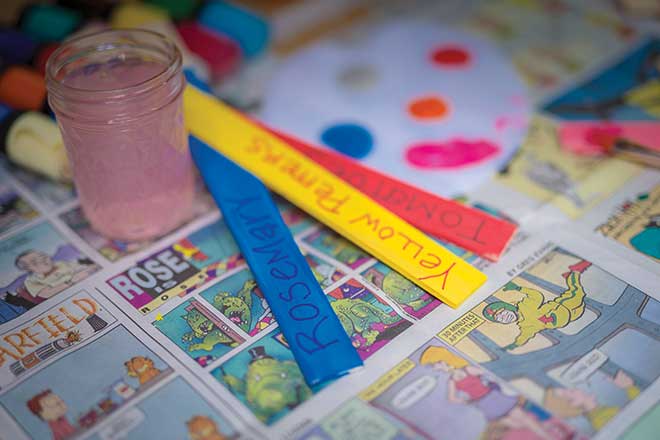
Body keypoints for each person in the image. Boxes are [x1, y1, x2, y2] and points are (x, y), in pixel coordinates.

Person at [419, 346, 553, 439]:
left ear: (442, 360)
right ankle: (542, 431)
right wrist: (468, 401)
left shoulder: (467, 370)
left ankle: (547, 435)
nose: (435, 368)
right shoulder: (452, 381)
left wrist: (488, 382)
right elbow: (452, 398)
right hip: (484, 403)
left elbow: (486, 372)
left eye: (434, 364)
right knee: (516, 422)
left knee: (522, 418)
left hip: (493, 396)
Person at [483, 261, 591, 349]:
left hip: (563, 305)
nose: (504, 317)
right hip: (571, 316)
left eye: (502, 313)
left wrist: (518, 288)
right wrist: (515, 344)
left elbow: (536, 296)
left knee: (578, 292)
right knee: (581, 304)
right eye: (499, 319)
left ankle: (575, 271)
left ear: (508, 307)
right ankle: (569, 277)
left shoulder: (525, 306)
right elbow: (525, 336)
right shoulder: (526, 326)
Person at [543, 370, 640, 431]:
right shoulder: (601, 420)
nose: (577, 390)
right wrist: (629, 387)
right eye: (572, 392)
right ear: (573, 403)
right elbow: (641, 418)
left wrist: (629, 387)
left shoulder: (600, 413)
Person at [15, 250, 97, 301]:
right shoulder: (31, 281)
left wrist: (91, 268)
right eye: (35, 262)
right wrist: (72, 281)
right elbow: (46, 293)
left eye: (42, 256)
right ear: (28, 269)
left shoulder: (61, 264)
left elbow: (81, 268)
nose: (42, 260)